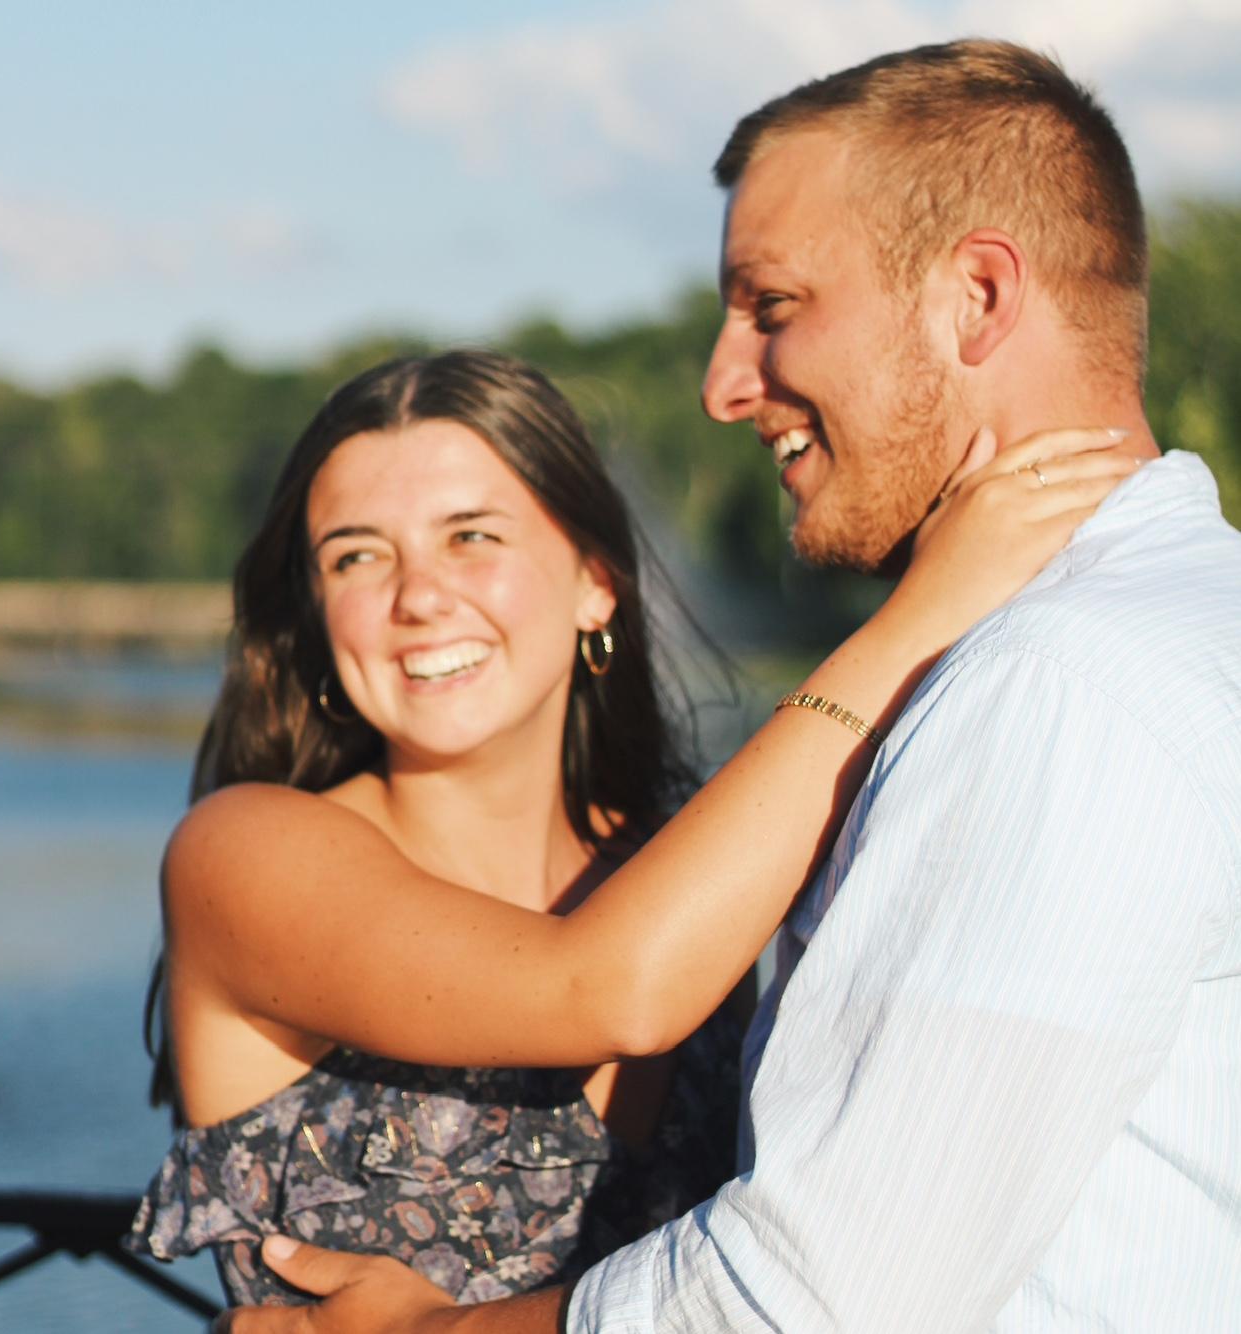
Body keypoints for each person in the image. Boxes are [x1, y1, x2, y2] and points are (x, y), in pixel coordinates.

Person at [216, 39, 1241, 1334]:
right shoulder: (1190, 617)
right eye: (355, 555)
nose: (720, 384)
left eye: (769, 305)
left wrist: (435, 1330)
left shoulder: (1056, 683)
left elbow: (813, 1301)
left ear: (976, 296)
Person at [129, 336, 1122, 1313]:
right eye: (355, 556)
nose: (418, 595)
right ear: (315, 608)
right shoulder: (243, 851)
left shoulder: (674, 877)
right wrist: (919, 614)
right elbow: (608, 988)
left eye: (471, 535)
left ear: (592, 579)